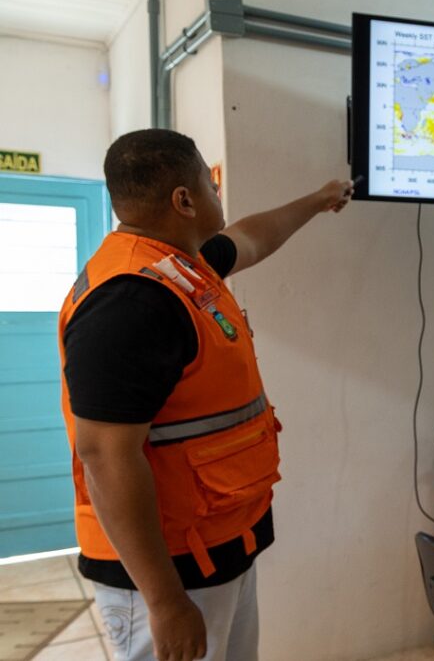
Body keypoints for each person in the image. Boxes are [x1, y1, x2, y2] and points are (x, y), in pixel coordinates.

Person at [58, 128, 353, 661]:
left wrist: (318, 199)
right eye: (211, 184)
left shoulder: (180, 267)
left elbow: (253, 237)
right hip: (169, 571)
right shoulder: (130, 300)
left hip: (217, 548)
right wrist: (166, 602)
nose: (220, 194)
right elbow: (103, 455)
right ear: (185, 200)